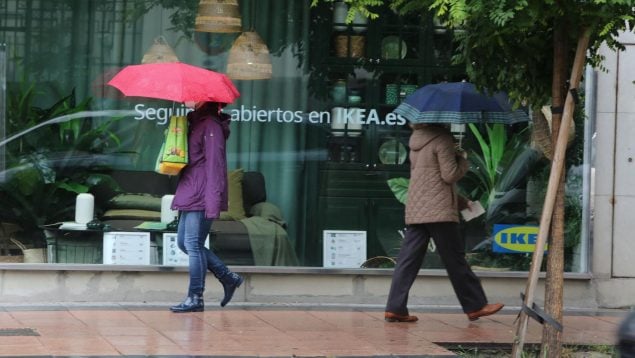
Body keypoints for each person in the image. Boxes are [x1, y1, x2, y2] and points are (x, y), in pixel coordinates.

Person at [384, 122, 503, 322]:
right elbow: (449, 175)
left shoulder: (416, 142)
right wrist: (462, 159)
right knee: (455, 259)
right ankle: (476, 306)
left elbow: (430, 181)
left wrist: (462, 202)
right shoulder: (442, 139)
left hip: (418, 209)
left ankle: (395, 307)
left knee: (407, 260)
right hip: (438, 212)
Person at [169, 101, 243, 313]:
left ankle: (195, 297)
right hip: (192, 189)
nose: (190, 99)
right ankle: (228, 277)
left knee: (192, 244)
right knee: (185, 242)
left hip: (202, 192)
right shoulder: (196, 122)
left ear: (206, 99)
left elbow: (215, 165)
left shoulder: (211, 125)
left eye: (196, 97)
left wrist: (212, 200)